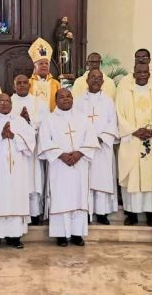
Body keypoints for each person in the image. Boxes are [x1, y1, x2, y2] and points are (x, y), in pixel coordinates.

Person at [38, 89, 98, 246]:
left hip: (80, 164)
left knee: (79, 197)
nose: (65, 99)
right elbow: (45, 140)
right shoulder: (49, 119)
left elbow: (91, 139)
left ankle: (77, 234)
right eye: (61, 97)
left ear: (73, 99)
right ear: (56, 100)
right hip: (59, 165)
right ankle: (61, 235)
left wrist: (79, 153)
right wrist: (61, 155)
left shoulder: (82, 118)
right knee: (61, 198)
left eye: (68, 96)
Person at [0, 94, 36, 250]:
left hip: (17, 171)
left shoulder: (20, 121)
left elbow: (31, 141)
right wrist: (1, 136)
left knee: (16, 199)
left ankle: (14, 237)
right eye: (1, 101)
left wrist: (14, 136)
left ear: (11, 103)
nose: (5, 103)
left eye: (7, 101)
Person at [115, 63, 152, 226]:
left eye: (145, 72)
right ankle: (131, 213)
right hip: (131, 141)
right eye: (139, 72)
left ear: (149, 74)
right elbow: (119, 116)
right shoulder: (123, 94)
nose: (142, 74)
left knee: (151, 176)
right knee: (132, 176)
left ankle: (151, 214)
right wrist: (134, 131)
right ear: (134, 74)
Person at [75, 69, 119, 225]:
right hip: (85, 147)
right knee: (86, 179)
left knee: (102, 178)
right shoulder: (78, 101)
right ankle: (86, 212)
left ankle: (101, 213)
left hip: (102, 147)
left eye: (99, 78)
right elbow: (74, 122)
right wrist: (87, 139)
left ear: (103, 82)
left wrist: (102, 137)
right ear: (86, 80)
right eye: (93, 77)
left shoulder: (108, 101)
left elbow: (113, 122)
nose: (96, 80)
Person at [11, 74, 49, 225]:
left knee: (33, 180)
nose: (22, 85)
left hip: (33, 151)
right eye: (18, 83)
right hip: (15, 151)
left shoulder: (39, 103)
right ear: (14, 86)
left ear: (29, 85)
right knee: (18, 181)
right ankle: (19, 212)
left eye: (24, 83)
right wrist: (19, 121)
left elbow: (46, 126)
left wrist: (29, 121)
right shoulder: (8, 102)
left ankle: (34, 213)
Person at [28, 38, 61, 111]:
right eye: (41, 63)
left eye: (46, 63)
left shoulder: (56, 84)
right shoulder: (28, 83)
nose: (44, 65)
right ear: (35, 66)